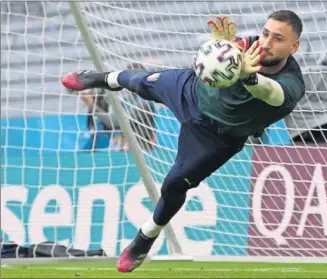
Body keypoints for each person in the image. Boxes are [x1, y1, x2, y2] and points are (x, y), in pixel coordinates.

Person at [61, 10, 305, 272]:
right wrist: (218, 48)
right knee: (138, 80)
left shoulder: (291, 84)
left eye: (278, 38)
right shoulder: (246, 46)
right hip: (190, 90)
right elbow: (208, 60)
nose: (266, 42)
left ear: (294, 46)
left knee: (174, 185)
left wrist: (247, 74)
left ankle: (145, 238)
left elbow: (271, 92)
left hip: (215, 137)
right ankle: (99, 78)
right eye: (266, 33)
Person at [68, 64, 157, 151]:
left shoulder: (143, 102)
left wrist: (91, 104)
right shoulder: (128, 99)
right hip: (128, 149)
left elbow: (112, 123)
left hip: (139, 150)